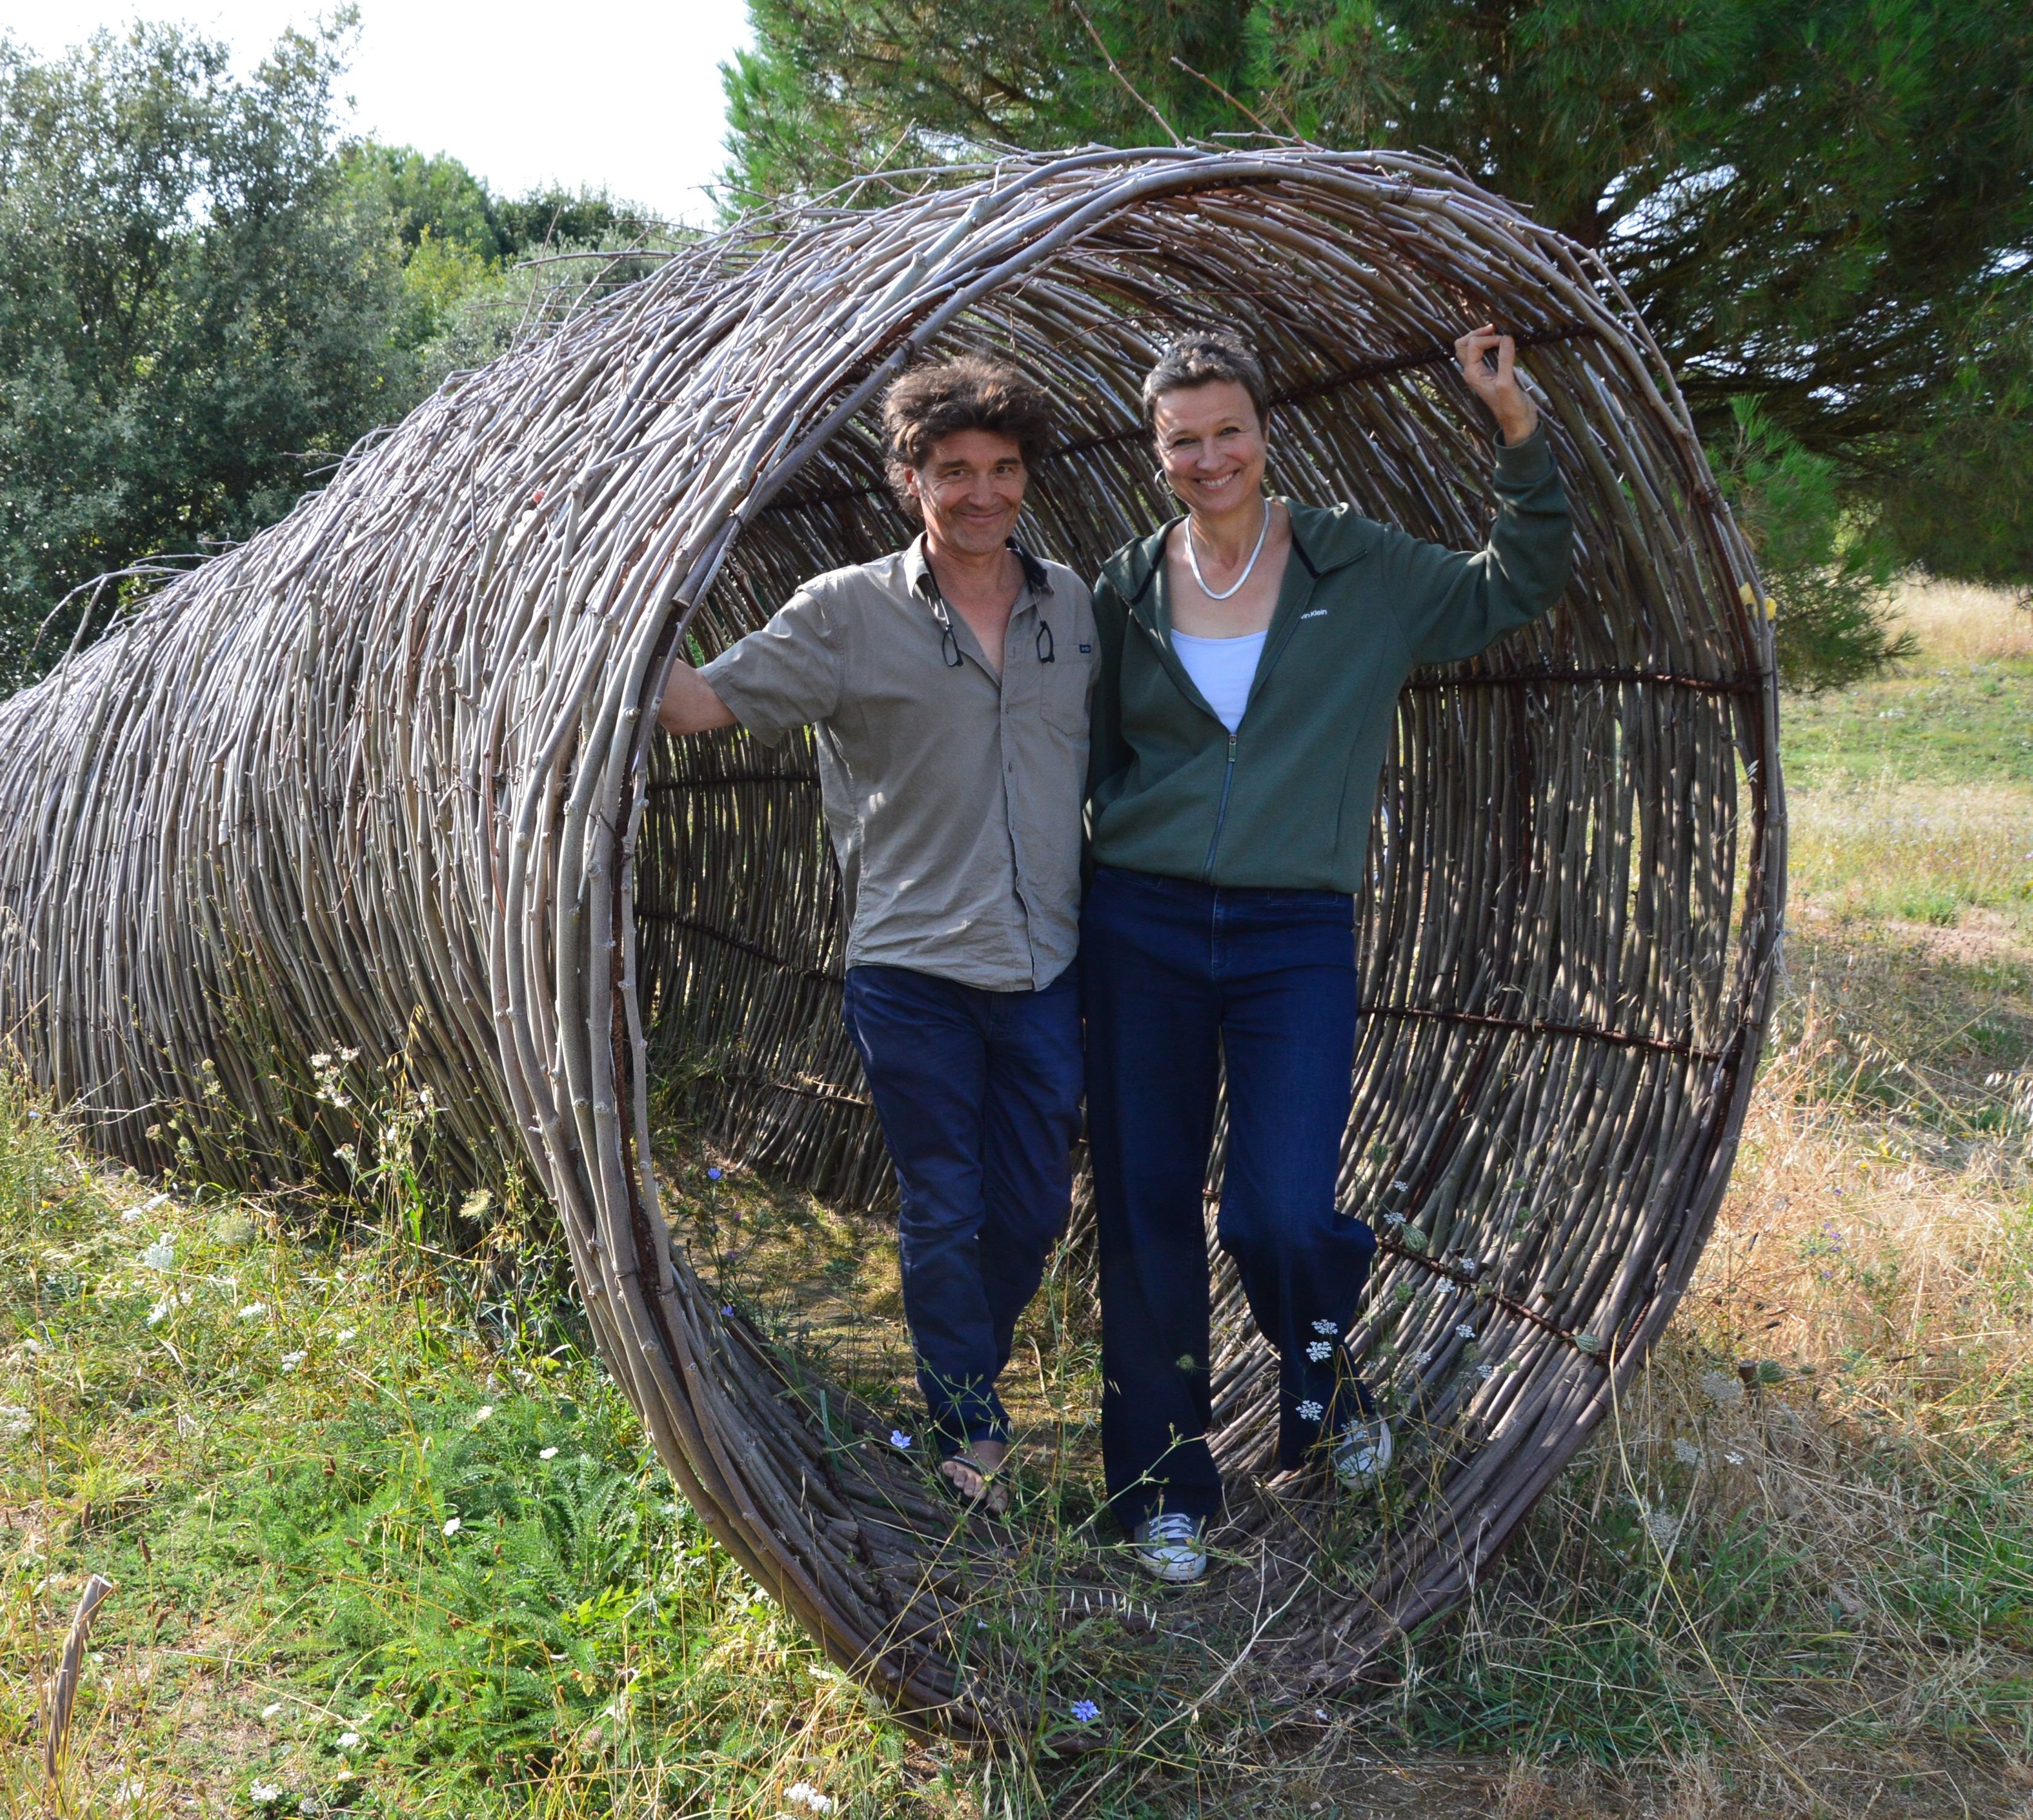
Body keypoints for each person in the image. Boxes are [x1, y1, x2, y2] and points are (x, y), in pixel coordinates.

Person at [1084, 325, 1573, 1583]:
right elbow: (1080, 755)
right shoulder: (1126, 589)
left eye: (1228, 430)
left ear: (1265, 431)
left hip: (1291, 928)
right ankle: (1162, 1487)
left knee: (1282, 1206)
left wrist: (1513, 423)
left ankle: (1329, 1384)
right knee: (1146, 1214)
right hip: (1137, 923)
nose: (1210, 457)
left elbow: (1514, 581)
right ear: (1157, 453)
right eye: (1183, 440)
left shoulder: (1358, 566)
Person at [657, 355, 1097, 1514]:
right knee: (944, 1201)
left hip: (1048, 960)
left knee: (1034, 1206)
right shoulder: (845, 613)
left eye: (1003, 469)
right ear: (910, 479)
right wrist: (617, 599)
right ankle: (968, 1423)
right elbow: (700, 706)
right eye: (954, 470)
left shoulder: (1076, 609)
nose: (983, 493)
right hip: (911, 967)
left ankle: (968, 1373)